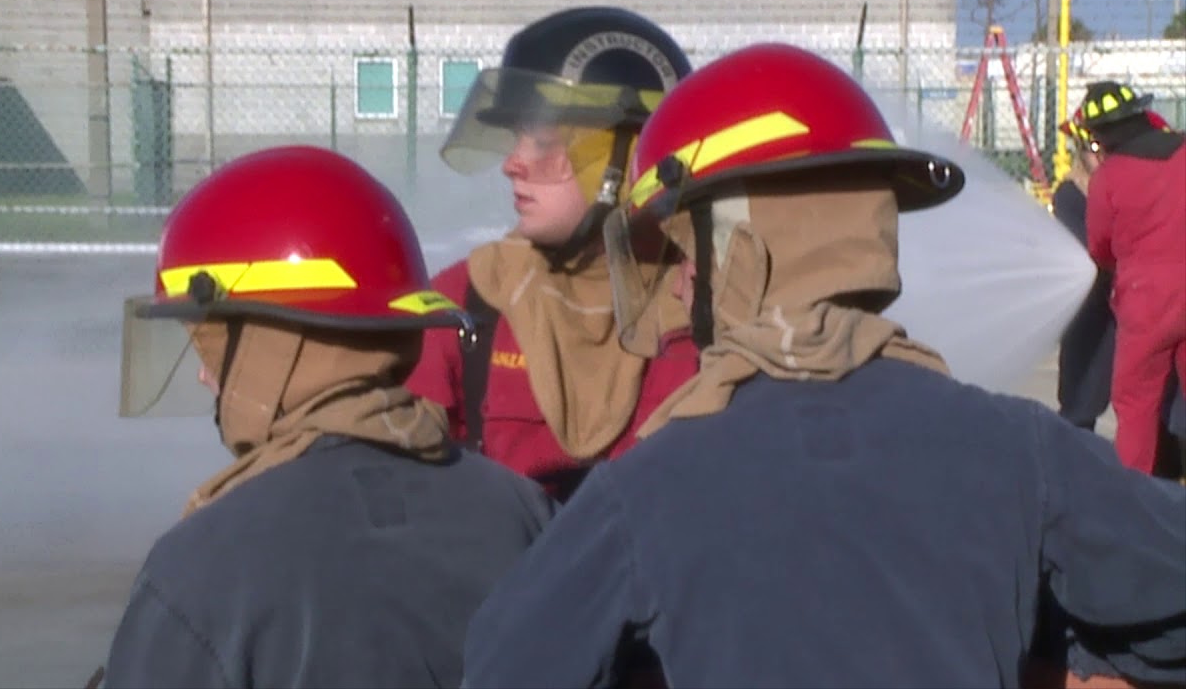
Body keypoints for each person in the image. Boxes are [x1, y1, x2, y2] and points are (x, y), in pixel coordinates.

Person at [460, 44, 1186, 688]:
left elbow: (504, 667)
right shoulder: (1021, 448)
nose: (677, 286)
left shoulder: (644, 488)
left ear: (737, 255)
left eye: (683, 256)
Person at [104, 146, 556, 688]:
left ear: (275, 345)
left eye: (212, 347)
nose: (204, 378)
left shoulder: (203, 564)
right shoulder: (527, 514)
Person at [405, 6, 700, 502]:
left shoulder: (704, 305)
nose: (513, 164)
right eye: (516, 140)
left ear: (627, 157)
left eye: (543, 142)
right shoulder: (469, 302)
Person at [1080, 81, 1186, 475]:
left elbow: (1101, 249)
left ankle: (1130, 505)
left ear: (1101, 136)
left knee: (1136, 406)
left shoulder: (1109, 177)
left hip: (1145, 304)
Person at [1053, 109, 1116, 433]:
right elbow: (1090, 250)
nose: (1104, 155)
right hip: (1092, 313)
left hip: (1126, 306)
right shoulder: (1070, 195)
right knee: (1080, 402)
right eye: (1096, 149)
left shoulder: (1121, 187)